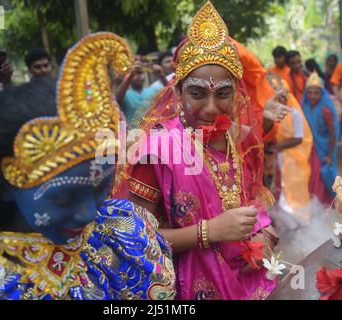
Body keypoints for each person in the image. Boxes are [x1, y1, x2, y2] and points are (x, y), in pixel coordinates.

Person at [0, 33, 175, 300]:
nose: (88, 213)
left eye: (101, 190)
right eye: (64, 197)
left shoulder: (121, 233)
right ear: (4, 182)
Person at [114, 1, 278, 300]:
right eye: (197, 93)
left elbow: (254, 204)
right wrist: (208, 232)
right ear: (178, 93)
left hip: (249, 282)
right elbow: (133, 239)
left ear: (237, 93)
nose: (212, 108)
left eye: (223, 94)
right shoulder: (156, 151)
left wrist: (264, 234)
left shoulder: (235, 137)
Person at [267, 73, 313, 220]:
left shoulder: (294, 114)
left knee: (295, 187)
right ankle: (291, 220)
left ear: (285, 98)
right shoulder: (274, 113)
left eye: (280, 98)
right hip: (282, 156)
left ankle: (302, 218)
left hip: (294, 157)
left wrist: (280, 146)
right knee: (285, 188)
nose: (278, 101)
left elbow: (299, 138)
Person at [302, 72, 340, 206]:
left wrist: (330, 154)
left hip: (324, 150)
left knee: (321, 178)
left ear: (322, 93)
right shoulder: (305, 106)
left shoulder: (325, 110)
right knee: (312, 177)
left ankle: (323, 204)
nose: (312, 96)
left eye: (316, 93)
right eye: (310, 92)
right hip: (311, 149)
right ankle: (315, 204)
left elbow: (333, 133)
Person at [115, 58, 161, 126]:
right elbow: (117, 99)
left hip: (153, 133)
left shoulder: (154, 90)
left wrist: (161, 75)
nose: (138, 77)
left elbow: (171, 98)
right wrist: (130, 75)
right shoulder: (126, 94)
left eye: (140, 73)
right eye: (135, 74)